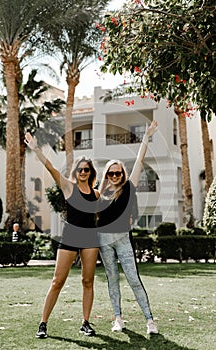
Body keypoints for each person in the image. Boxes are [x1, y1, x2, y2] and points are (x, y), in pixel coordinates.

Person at [25, 132, 100, 338]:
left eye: (87, 169)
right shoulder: (68, 186)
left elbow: (104, 214)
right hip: (70, 237)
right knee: (58, 281)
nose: (83, 172)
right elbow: (50, 167)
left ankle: (85, 322)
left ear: (91, 172)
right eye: (80, 169)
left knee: (88, 281)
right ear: (76, 171)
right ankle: (43, 323)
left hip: (91, 239)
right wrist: (35, 148)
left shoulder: (96, 193)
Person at [97, 120, 159, 335]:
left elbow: (140, 160)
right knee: (112, 280)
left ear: (123, 174)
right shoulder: (100, 195)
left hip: (123, 238)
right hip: (104, 241)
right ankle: (118, 318)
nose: (115, 176)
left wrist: (146, 135)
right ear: (106, 175)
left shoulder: (129, 188)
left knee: (133, 279)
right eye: (111, 173)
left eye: (118, 173)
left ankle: (150, 321)